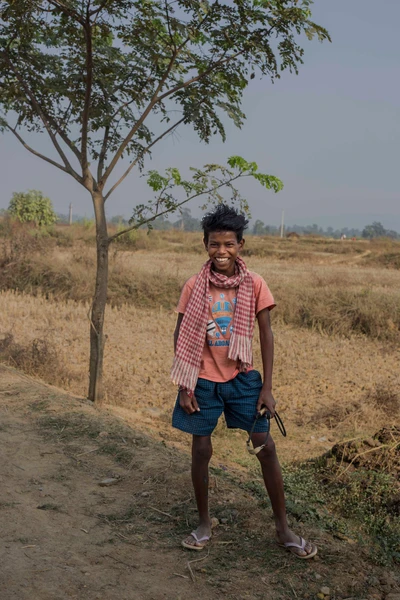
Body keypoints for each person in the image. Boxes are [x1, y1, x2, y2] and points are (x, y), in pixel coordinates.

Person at [171, 204, 317, 559]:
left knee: (265, 448)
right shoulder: (194, 284)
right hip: (202, 380)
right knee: (201, 450)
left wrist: (266, 386)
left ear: (241, 245)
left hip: (242, 378)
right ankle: (204, 524)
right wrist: (184, 385)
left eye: (229, 244)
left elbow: (266, 334)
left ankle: (283, 528)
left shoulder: (254, 284)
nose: (221, 252)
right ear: (205, 244)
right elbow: (180, 335)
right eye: (214, 244)